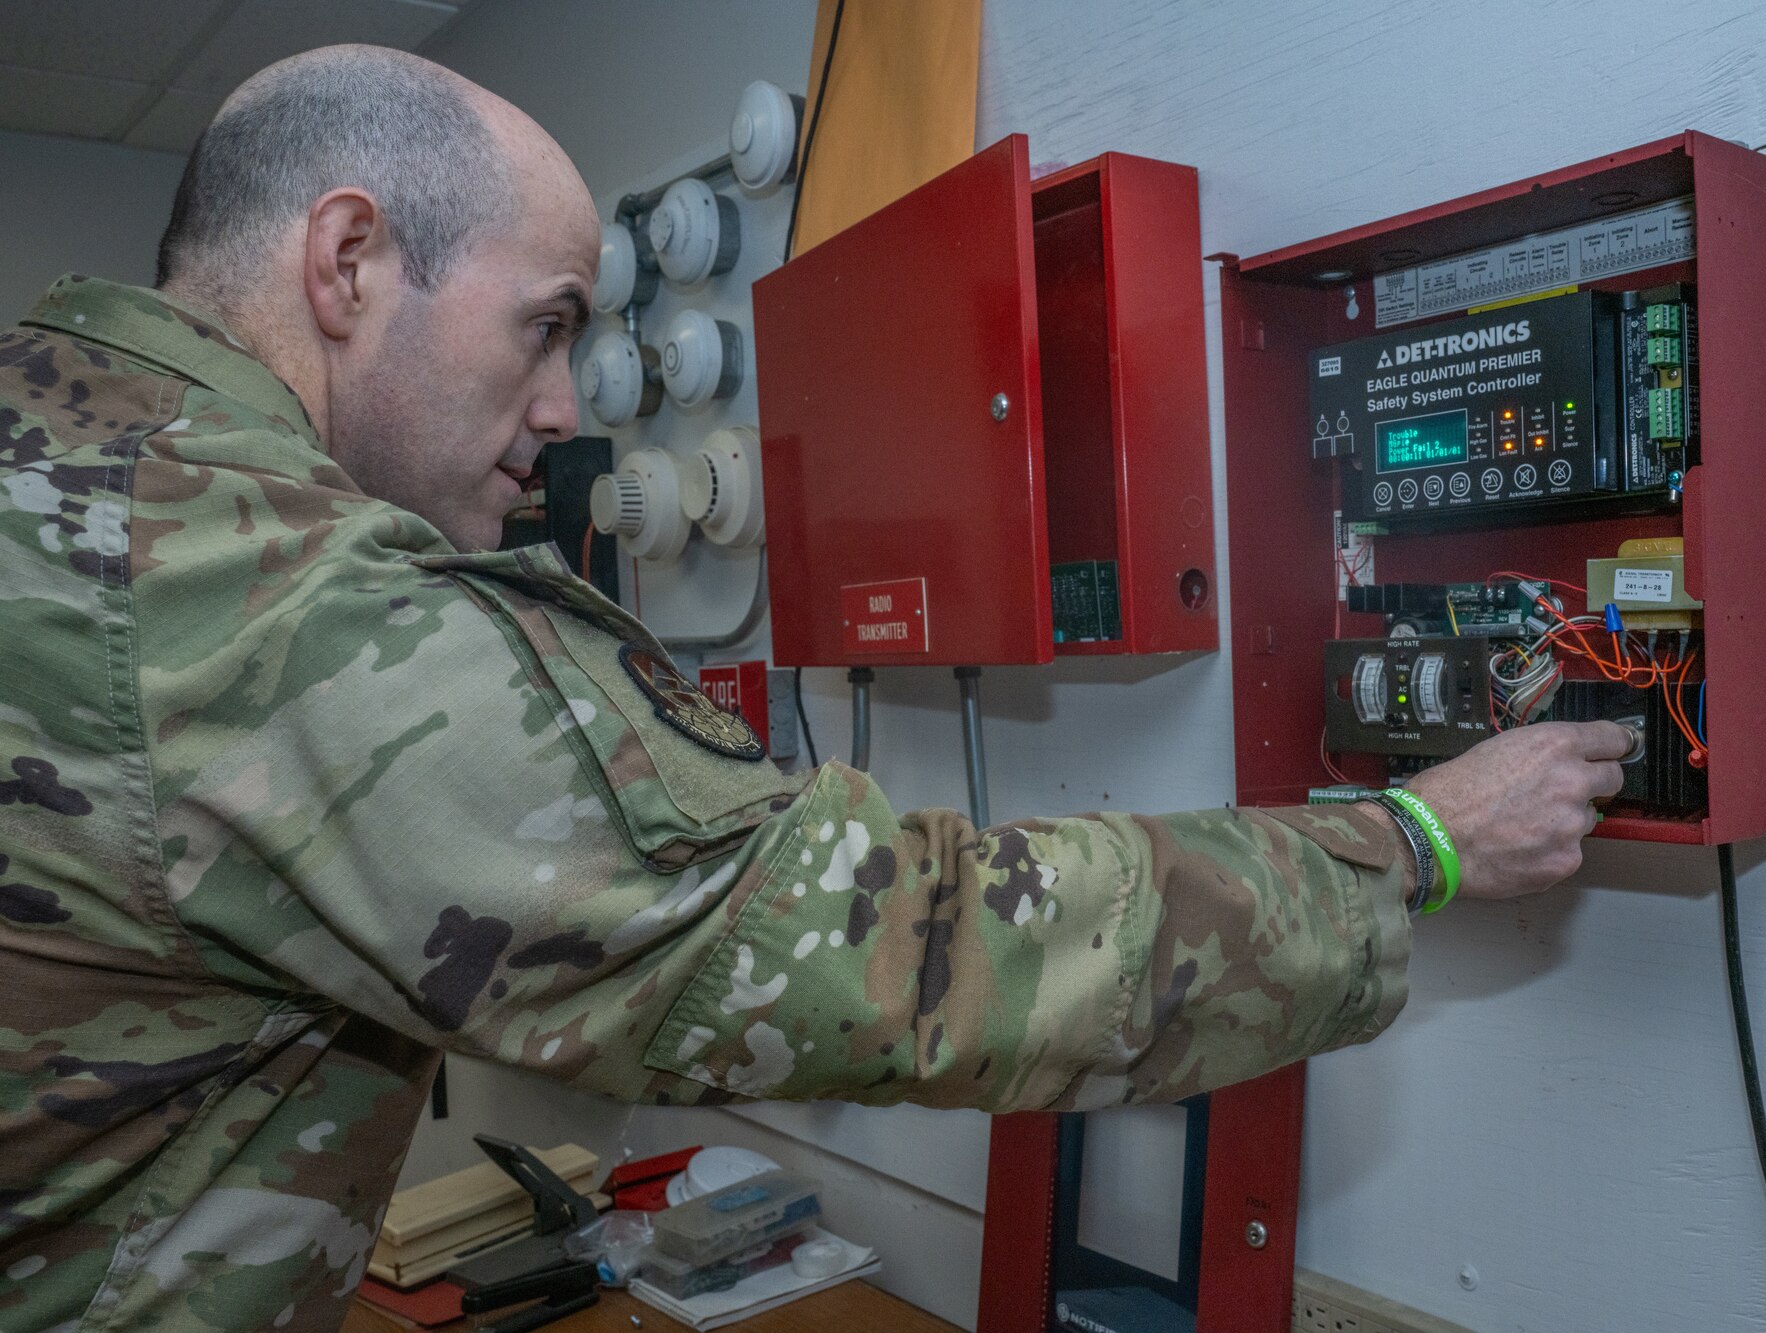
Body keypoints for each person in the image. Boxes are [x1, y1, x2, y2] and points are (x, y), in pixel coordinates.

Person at [0, 45, 1629, 1331]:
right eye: (545, 324)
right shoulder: (265, 597)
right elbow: (878, 941)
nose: (570, 406)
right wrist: (1407, 846)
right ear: (348, 260)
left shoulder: (53, 456)